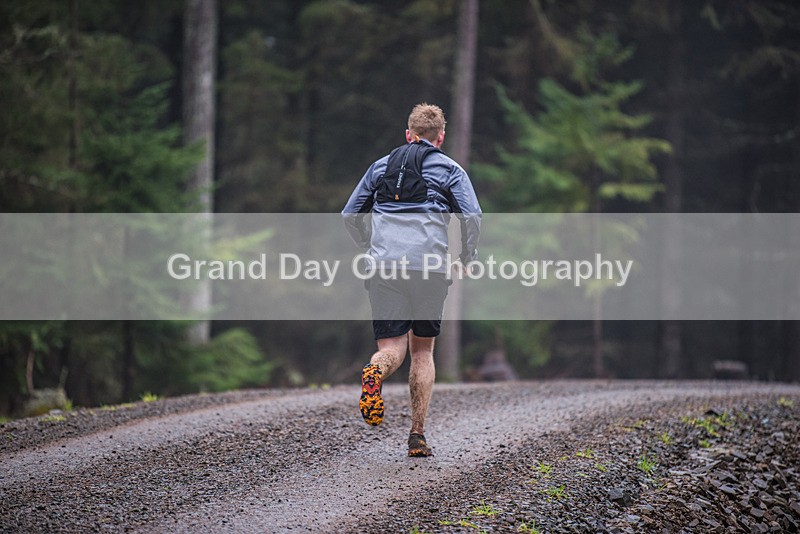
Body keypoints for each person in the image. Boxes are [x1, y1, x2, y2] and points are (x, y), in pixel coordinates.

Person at [342, 103, 481, 457]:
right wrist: (466, 257)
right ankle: (417, 435)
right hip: (429, 269)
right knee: (422, 350)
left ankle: (375, 371)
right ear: (441, 137)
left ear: (409, 134)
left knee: (391, 349)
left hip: (384, 267)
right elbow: (472, 217)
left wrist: (368, 244)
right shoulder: (450, 170)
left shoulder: (380, 166)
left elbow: (350, 214)